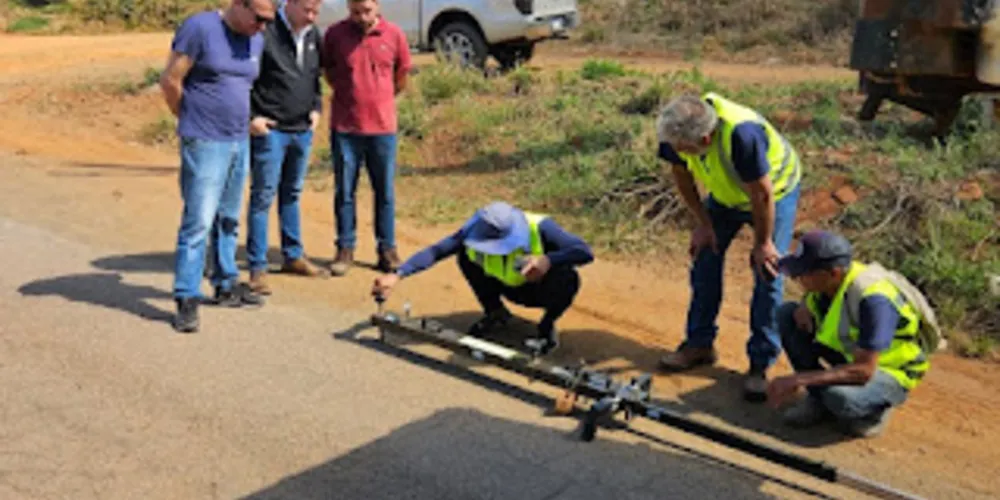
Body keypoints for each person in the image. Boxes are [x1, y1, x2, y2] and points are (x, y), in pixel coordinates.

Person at [655, 91, 803, 402]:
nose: (677, 152)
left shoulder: (743, 136)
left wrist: (763, 243)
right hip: (725, 196)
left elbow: (761, 195)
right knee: (705, 259)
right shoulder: (676, 129)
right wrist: (704, 225)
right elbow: (682, 178)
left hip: (773, 191)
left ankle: (760, 365)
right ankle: (699, 344)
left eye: (684, 149)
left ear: (706, 140)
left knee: (768, 273)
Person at [159, 0, 275, 333]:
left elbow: (243, 86)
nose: (263, 26)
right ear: (239, 4)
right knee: (198, 221)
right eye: (259, 18)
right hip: (205, 142)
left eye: (269, 20)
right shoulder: (200, 29)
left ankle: (225, 283)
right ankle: (186, 296)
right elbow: (170, 80)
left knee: (228, 218)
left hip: (239, 140)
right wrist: (190, 120)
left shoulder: (255, 37)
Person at [371, 201, 594, 355]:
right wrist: (396, 275)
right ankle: (495, 312)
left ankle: (546, 327)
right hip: (501, 284)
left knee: (568, 278)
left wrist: (548, 260)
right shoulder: (474, 230)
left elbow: (584, 252)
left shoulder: (541, 227)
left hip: (536, 289)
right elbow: (436, 251)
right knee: (465, 256)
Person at [766, 230, 930, 438]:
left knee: (841, 398)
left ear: (832, 273)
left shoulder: (874, 301)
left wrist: (799, 379)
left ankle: (873, 410)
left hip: (887, 371)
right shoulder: (828, 284)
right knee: (787, 315)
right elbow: (822, 305)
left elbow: (863, 371)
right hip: (850, 355)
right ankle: (818, 400)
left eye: (804, 273)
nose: (797, 278)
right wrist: (805, 303)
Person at [320, 0, 412, 276]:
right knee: (345, 191)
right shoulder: (335, 34)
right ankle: (345, 248)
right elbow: (329, 72)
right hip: (346, 128)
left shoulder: (394, 34)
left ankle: (387, 249)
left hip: (383, 128)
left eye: (367, 11)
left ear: (377, 6)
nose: (361, 17)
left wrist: (380, 98)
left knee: (384, 191)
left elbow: (401, 73)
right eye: (355, 11)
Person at [245, 0, 326, 295]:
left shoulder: (313, 35)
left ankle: (293, 255)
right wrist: (251, 118)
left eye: (317, 11)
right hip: (271, 132)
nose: (312, 17)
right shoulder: (263, 32)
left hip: (302, 130)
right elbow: (244, 79)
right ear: (289, 3)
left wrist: (317, 108)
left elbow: (314, 78)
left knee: (291, 194)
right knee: (262, 197)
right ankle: (257, 267)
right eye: (307, 10)